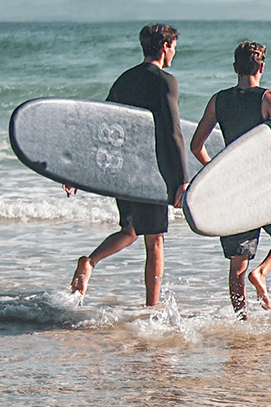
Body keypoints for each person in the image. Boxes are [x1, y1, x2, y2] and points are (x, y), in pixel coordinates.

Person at [190, 40, 271, 315]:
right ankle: (262, 272)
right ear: (261, 67)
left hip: (235, 187)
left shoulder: (218, 100)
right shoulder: (268, 98)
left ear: (235, 68)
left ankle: (241, 320)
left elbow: (196, 145)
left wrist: (215, 172)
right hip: (266, 183)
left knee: (237, 262)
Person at [71, 25, 189, 307]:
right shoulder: (165, 81)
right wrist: (182, 179)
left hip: (123, 170)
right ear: (164, 46)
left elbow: (101, 125)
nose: (174, 53)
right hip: (150, 171)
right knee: (155, 241)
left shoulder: (124, 80)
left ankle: (90, 261)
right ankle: (152, 307)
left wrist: (76, 168)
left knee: (131, 230)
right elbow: (173, 131)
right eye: (173, 47)